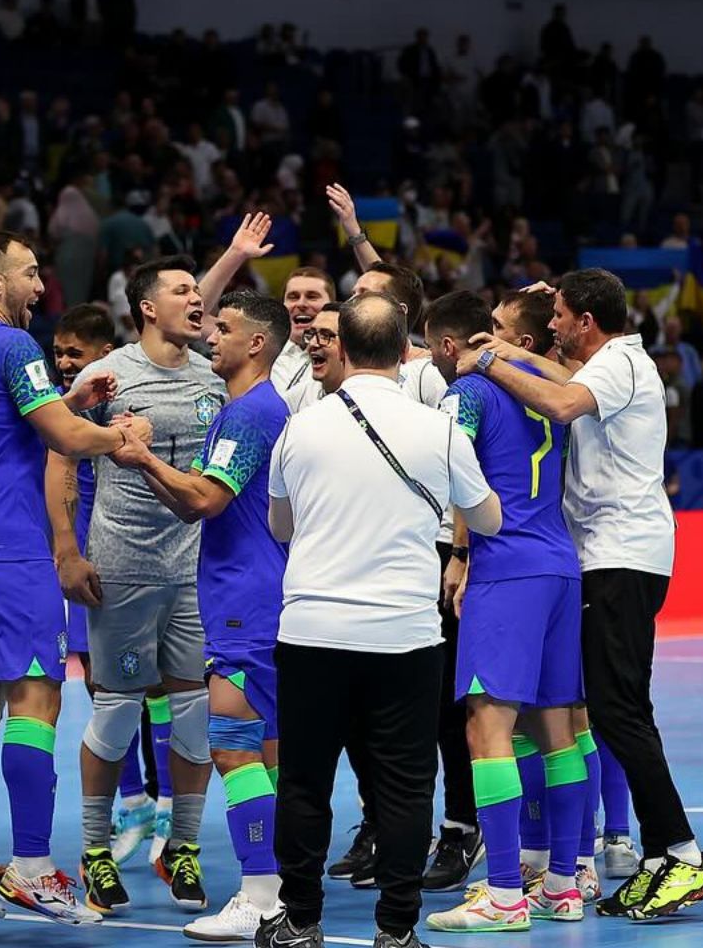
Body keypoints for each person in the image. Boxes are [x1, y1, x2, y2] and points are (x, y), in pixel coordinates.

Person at [469, 271, 703, 919]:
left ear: (586, 321)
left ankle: (682, 853)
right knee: (617, 709)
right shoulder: (612, 360)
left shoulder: (618, 365)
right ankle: (663, 853)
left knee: (619, 711)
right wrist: (506, 348)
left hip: (620, 560)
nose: (552, 327)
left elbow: (559, 403)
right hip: (617, 560)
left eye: (558, 316)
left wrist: (489, 362)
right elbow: (554, 375)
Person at [258, 292, 501, 948]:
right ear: (403, 352)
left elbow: (280, 525)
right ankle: (396, 930)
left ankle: (301, 921)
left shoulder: (300, 426)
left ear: (341, 349)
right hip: (405, 637)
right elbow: (488, 518)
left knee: (305, 783)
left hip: (312, 631)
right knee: (403, 787)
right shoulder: (437, 426)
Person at [0, 230, 146, 924]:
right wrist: (118, 436)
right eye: (27, 273)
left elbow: (4, 427)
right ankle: (31, 867)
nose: (38, 284)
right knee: (37, 699)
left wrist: (69, 400)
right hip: (6, 546)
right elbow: (67, 442)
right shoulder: (14, 345)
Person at [112, 290, 292, 940]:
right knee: (266, 754)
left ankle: (258, 895)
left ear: (258, 345)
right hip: (254, 599)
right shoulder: (245, 411)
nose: (212, 336)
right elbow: (194, 501)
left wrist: (143, 457)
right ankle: (279, 888)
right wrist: (146, 461)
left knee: (234, 748)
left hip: (246, 605)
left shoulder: (250, 415)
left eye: (227, 329)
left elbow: (206, 499)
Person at [51, 256, 225, 916]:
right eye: (181, 290)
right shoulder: (110, 376)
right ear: (147, 307)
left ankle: (180, 847)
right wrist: (67, 549)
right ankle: (96, 851)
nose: (195, 298)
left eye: (196, 287)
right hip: (120, 569)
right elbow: (59, 450)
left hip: (192, 574)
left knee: (194, 718)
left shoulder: (215, 378)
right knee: (118, 713)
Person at [421, 290, 586, 932]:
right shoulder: (554, 399)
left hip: (506, 567)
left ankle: (504, 894)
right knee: (556, 730)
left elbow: (451, 467)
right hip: (559, 565)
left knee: (485, 731)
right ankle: (564, 886)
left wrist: (458, 552)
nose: (484, 339)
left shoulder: (473, 392)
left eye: (496, 329)